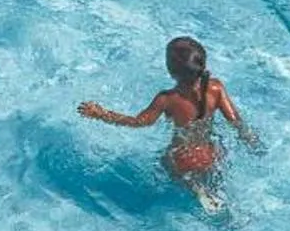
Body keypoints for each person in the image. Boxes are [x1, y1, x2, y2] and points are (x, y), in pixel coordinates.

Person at [78, 36, 258, 208]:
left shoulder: (167, 99)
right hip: (210, 155)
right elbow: (235, 121)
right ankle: (216, 194)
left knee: (165, 162)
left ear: (171, 71)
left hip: (183, 159)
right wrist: (250, 140)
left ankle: (196, 189)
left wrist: (101, 114)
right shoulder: (216, 87)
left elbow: (139, 122)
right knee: (217, 178)